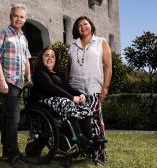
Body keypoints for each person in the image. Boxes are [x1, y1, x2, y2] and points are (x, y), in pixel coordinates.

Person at [0, 3, 31, 168]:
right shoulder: (3, 33)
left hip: (20, 82)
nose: (18, 19)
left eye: (22, 17)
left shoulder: (23, 37)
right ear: (10, 16)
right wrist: (1, 80)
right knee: (14, 118)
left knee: (8, 117)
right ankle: (14, 156)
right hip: (8, 81)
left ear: (25, 19)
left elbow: (27, 60)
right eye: (16, 16)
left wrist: (29, 78)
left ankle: (6, 151)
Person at [68, 16, 112, 165]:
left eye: (85, 24)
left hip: (94, 88)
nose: (83, 27)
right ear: (76, 29)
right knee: (80, 121)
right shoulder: (73, 45)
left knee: (96, 121)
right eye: (79, 25)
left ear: (91, 26)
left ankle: (100, 154)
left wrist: (105, 87)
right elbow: (69, 68)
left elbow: (108, 66)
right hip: (75, 89)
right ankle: (83, 149)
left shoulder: (101, 42)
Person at [31, 47, 93, 148]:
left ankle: (89, 138)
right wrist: (72, 98)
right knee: (67, 102)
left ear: (55, 59)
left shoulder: (59, 74)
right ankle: (77, 137)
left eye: (52, 56)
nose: (50, 58)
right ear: (41, 58)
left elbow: (68, 88)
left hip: (59, 102)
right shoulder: (39, 71)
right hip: (42, 101)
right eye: (46, 56)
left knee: (84, 107)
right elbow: (51, 86)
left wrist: (81, 95)